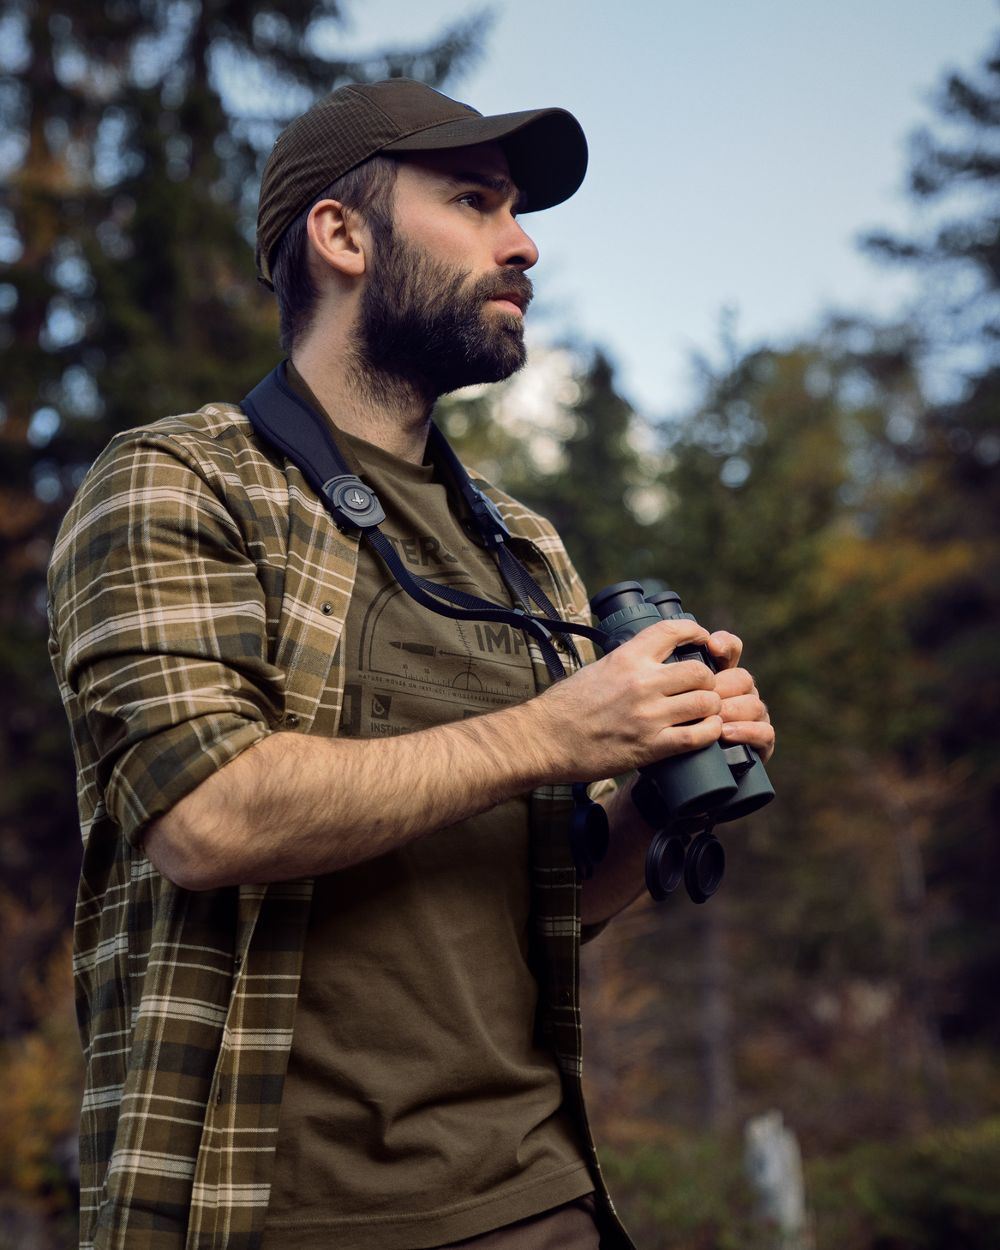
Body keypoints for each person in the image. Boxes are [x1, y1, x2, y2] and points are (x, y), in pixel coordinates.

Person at [48, 79, 774, 1250]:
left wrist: (654, 781)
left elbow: (542, 898)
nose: (524, 242)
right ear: (341, 235)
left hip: (545, 1199)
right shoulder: (180, 482)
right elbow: (203, 816)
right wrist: (556, 732)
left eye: (519, 210)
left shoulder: (522, 543)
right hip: (277, 1215)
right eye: (476, 202)